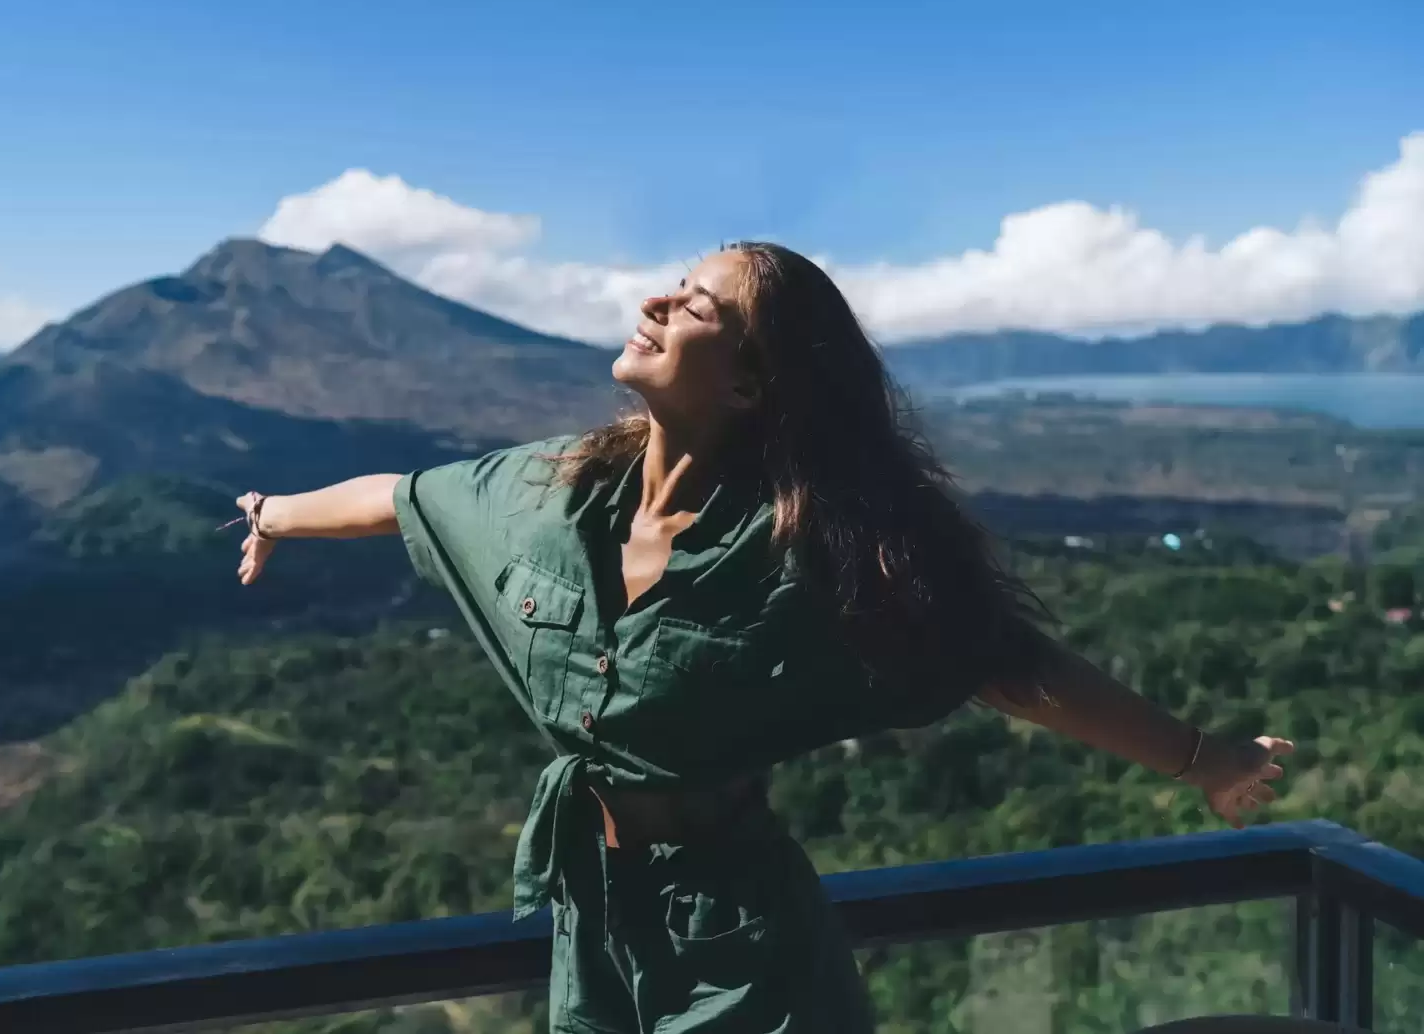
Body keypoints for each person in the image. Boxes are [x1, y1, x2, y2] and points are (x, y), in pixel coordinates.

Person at [229, 242, 1295, 1032]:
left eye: (693, 303)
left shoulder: (811, 561)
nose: (652, 300)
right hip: (588, 921)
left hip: (738, 946)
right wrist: (276, 513)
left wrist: (1203, 758)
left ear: (749, 383)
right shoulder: (548, 499)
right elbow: (406, 497)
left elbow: (1006, 664)